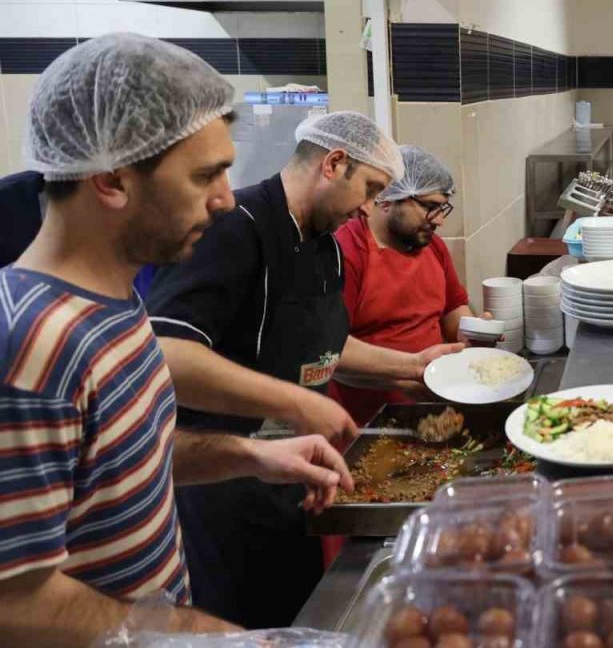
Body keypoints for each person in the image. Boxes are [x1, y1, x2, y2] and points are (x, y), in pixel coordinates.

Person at [0, 34, 352, 644]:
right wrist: (193, 631)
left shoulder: (116, 305)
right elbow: (13, 601)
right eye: (205, 176)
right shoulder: (31, 342)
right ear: (112, 180)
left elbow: (119, 466)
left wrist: (251, 456)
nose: (225, 200)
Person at [144, 111, 459, 628]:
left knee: (300, 618)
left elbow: (326, 350)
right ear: (333, 163)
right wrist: (295, 402)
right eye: (369, 189)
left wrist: (414, 367)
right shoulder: (235, 228)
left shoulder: (324, 247)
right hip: (224, 485)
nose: (368, 207)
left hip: (292, 477)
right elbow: (167, 353)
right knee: (242, 627)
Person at [330, 145, 481, 425]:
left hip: (434, 407)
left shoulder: (431, 246)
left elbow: (453, 306)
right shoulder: (346, 253)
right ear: (387, 198)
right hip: (369, 422)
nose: (439, 220)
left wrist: (472, 333)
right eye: (430, 207)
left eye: (442, 208)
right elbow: (331, 351)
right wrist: (406, 375)